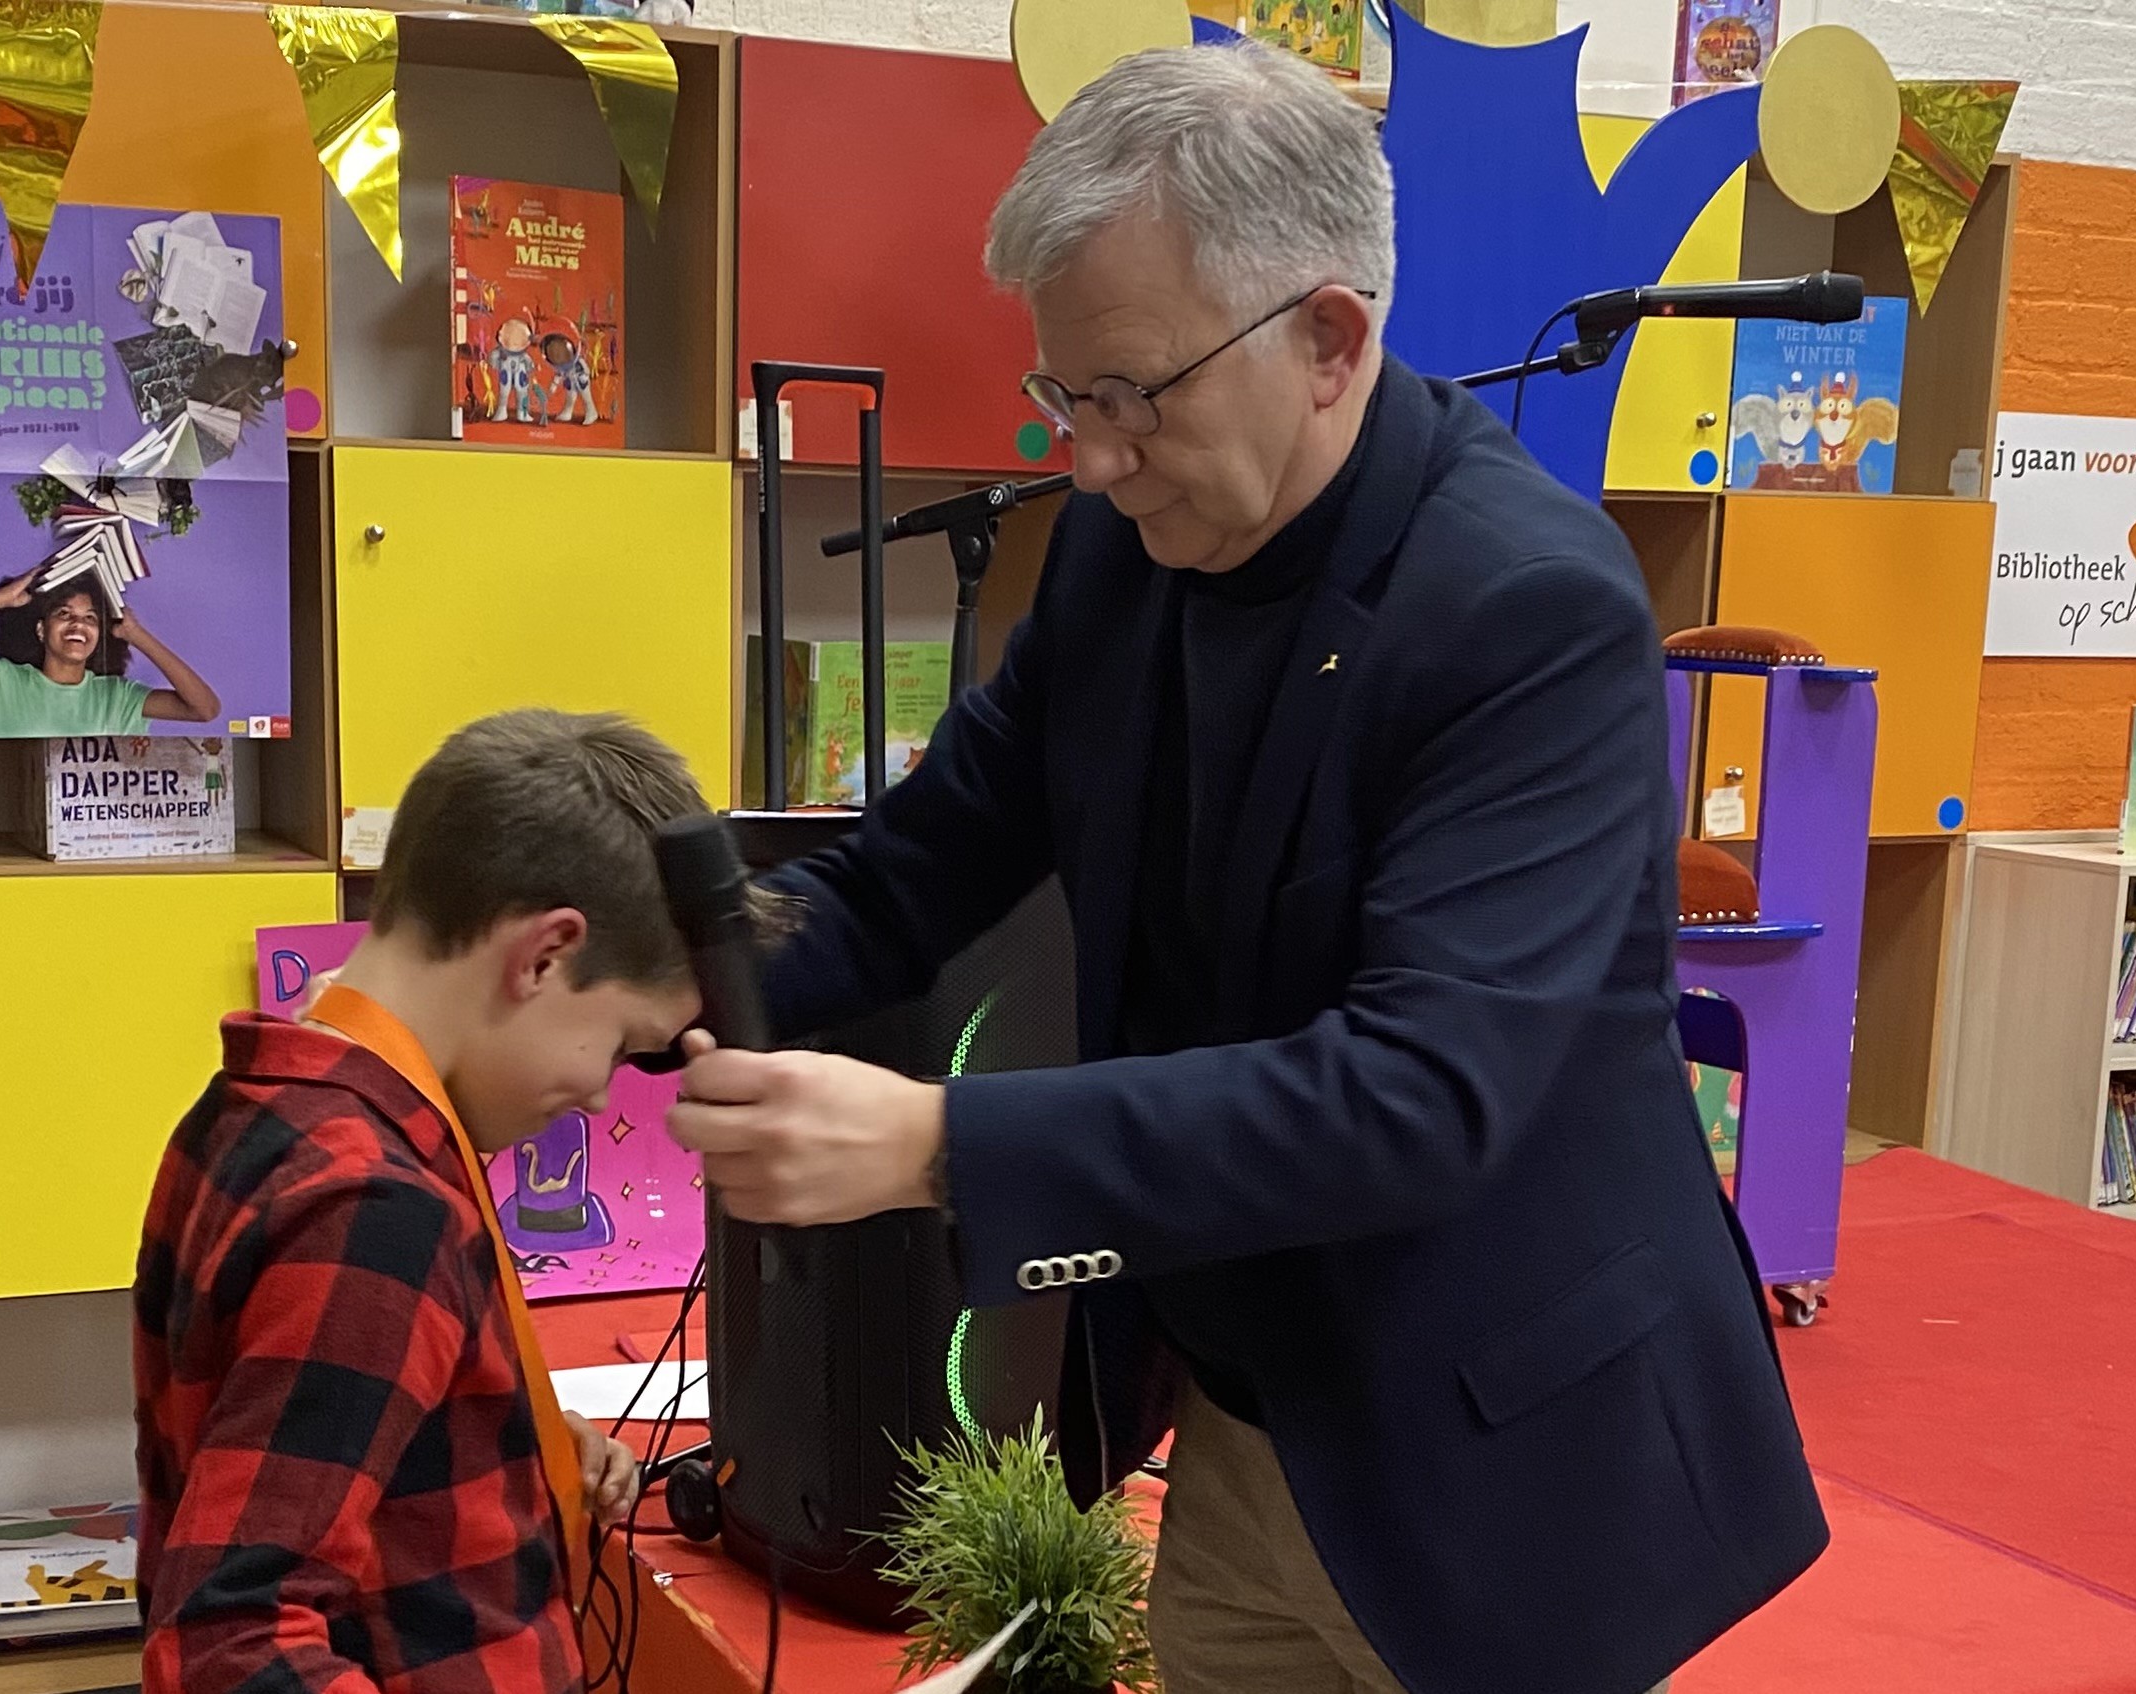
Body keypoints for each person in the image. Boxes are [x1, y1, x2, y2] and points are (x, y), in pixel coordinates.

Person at [665, 42, 1827, 1694]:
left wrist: (933, 1142)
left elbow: (1414, 1095)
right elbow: (917, 863)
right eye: (1065, 398)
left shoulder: (1528, 613)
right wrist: (670, 969)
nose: (1088, 455)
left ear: (1330, 337)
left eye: (1131, 392)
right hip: (1238, 1420)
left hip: (1493, 1460)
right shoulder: (1126, 564)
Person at [134, 709, 717, 1694]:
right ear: (544, 955)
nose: (602, 1093)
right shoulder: (376, 1205)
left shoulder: (264, 1103)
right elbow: (228, 1645)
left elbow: (299, 1426)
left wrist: (528, 1447)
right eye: (620, 1043)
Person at [0, 570, 221, 737]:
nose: (78, 624)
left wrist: (136, 635)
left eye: (90, 618)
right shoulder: (0, 682)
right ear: (41, 630)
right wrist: (0, 599)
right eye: (64, 613)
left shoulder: (119, 697)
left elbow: (205, 709)